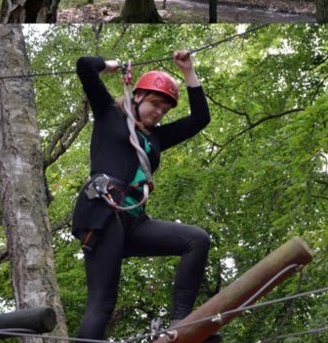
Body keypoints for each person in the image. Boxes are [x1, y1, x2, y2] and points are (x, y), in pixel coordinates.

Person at [72, 52, 219, 342]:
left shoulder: (157, 138)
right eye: (155, 104)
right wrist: (111, 66)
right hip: (103, 211)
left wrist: (188, 71)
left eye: (165, 109)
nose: (158, 113)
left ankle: (180, 320)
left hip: (133, 221)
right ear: (136, 96)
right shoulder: (109, 114)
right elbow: (84, 66)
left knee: (196, 239)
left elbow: (201, 118)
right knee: (102, 304)